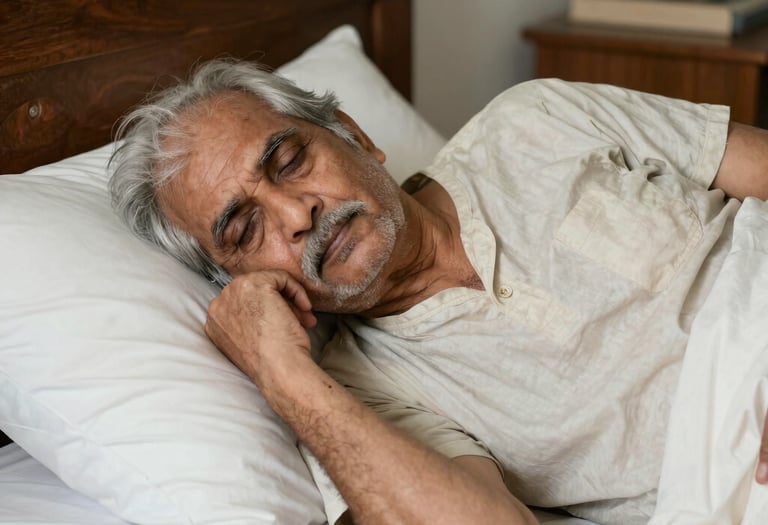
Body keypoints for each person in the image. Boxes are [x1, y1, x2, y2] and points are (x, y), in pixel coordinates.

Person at [108, 58, 768, 525]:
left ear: (354, 134)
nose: (297, 215)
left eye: (288, 162)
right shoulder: (358, 391)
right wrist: (282, 374)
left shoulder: (532, 119)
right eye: (246, 229)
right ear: (242, 280)